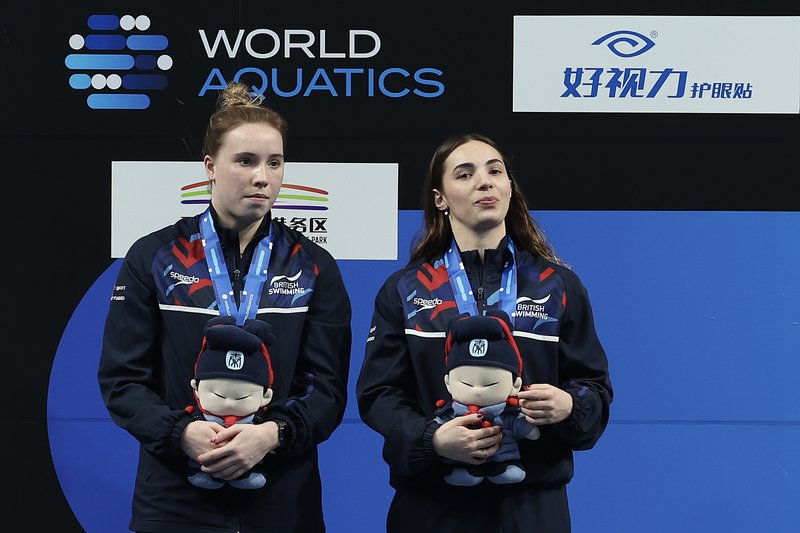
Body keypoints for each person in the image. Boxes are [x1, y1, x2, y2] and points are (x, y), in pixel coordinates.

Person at [98, 81, 352, 533]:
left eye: (274, 163)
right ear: (210, 167)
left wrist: (271, 436)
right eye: (246, 161)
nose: (262, 177)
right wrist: (182, 433)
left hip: (282, 502)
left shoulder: (314, 266)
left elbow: (327, 390)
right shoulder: (153, 257)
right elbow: (123, 381)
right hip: (175, 499)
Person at [356, 132, 612, 533]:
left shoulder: (558, 285)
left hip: (532, 506)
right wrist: (433, 439)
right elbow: (379, 394)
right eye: (465, 173)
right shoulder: (404, 289)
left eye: (496, 171)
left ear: (510, 188)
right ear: (440, 198)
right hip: (432, 505)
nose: (485, 181)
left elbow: (594, 387)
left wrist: (569, 406)